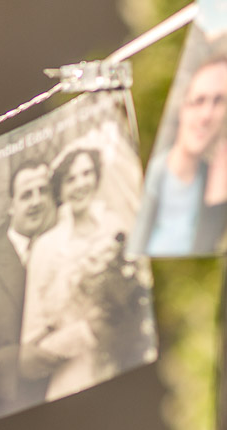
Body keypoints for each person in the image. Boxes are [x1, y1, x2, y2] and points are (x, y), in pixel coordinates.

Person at [20, 146, 157, 401]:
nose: (81, 183)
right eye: (71, 178)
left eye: (87, 173)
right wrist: (86, 332)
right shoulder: (46, 247)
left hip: (125, 358)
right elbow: (30, 349)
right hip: (75, 377)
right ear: (60, 189)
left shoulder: (116, 227)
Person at [0, 158, 57, 418]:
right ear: (11, 206)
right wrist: (17, 360)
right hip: (16, 408)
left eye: (42, 191)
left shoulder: (62, 246)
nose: (36, 201)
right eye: (26, 195)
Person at [132, 54, 227, 256]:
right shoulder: (154, 173)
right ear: (182, 107)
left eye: (219, 102)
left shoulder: (212, 178)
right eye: (199, 100)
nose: (206, 115)